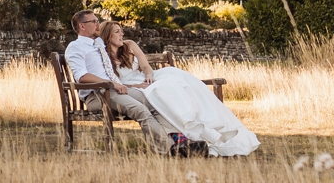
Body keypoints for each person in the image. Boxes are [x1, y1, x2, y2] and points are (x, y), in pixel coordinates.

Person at [99, 21, 260, 157]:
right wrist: (133, 85)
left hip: (146, 79)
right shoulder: (102, 55)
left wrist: (148, 76)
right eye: (117, 32)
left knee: (172, 82)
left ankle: (196, 124)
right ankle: (184, 136)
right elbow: (113, 82)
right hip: (130, 87)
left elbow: (146, 66)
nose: (122, 35)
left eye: (122, 31)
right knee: (159, 92)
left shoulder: (130, 45)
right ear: (108, 35)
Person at [62, 9, 173, 155]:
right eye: (94, 21)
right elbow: (81, 76)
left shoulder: (99, 43)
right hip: (98, 94)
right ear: (82, 26)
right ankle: (172, 148)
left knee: (155, 103)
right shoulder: (76, 47)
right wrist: (112, 84)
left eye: (97, 21)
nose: (98, 24)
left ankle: (176, 140)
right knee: (140, 110)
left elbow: (117, 40)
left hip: (114, 89)